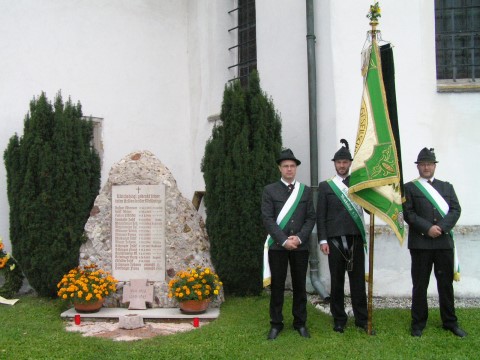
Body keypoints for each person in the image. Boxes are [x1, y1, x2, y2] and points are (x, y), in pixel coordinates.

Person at [404, 147, 466, 338]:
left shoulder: (446, 187)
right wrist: (427, 228)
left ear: (434, 166)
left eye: (429, 164)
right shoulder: (410, 188)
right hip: (421, 245)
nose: (426, 167)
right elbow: (408, 213)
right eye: (422, 164)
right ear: (418, 167)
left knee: (445, 284)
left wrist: (441, 228)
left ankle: (450, 322)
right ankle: (418, 323)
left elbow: (455, 209)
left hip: (443, 243)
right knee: (420, 285)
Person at [261, 149, 316, 340]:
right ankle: (276, 324)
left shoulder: (305, 191)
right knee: (277, 286)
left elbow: (310, 218)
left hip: (300, 246)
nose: (289, 169)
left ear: (296, 168)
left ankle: (300, 323)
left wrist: (299, 238)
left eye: (292, 166)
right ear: (280, 168)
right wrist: (283, 240)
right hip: (278, 246)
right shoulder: (270, 190)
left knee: (300, 285)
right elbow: (267, 219)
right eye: (286, 166)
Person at [316, 139, 368, 333]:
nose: (342, 165)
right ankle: (339, 319)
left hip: (355, 238)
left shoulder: (359, 184)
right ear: (335, 164)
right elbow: (320, 215)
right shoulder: (326, 186)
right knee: (337, 282)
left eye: (345, 162)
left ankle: (361, 318)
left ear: (350, 163)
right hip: (334, 241)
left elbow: (369, 209)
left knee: (357, 282)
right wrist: (322, 240)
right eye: (339, 162)